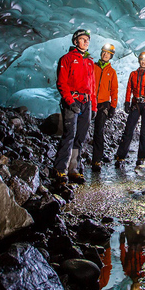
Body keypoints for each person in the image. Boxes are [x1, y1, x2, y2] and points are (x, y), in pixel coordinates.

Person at [54, 29, 97, 184]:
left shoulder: (90, 61)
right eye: (83, 39)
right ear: (75, 41)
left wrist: (94, 107)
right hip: (72, 100)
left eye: (88, 39)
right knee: (69, 135)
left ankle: (73, 169)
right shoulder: (67, 59)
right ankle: (60, 169)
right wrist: (69, 101)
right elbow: (61, 82)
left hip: (86, 102)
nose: (86, 41)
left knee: (80, 137)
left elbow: (92, 86)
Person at [115, 51, 145, 167]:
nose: (143, 62)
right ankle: (121, 156)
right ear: (139, 61)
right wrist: (127, 102)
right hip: (136, 104)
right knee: (128, 130)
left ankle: (141, 157)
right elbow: (129, 88)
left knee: (144, 131)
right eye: (141, 60)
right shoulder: (133, 74)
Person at [91, 43, 118, 172]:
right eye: (104, 52)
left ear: (111, 56)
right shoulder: (93, 67)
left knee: (98, 132)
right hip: (90, 102)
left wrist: (113, 106)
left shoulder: (111, 72)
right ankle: (76, 160)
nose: (105, 54)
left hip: (103, 104)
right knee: (82, 129)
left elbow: (114, 90)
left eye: (108, 53)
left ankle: (96, 160)